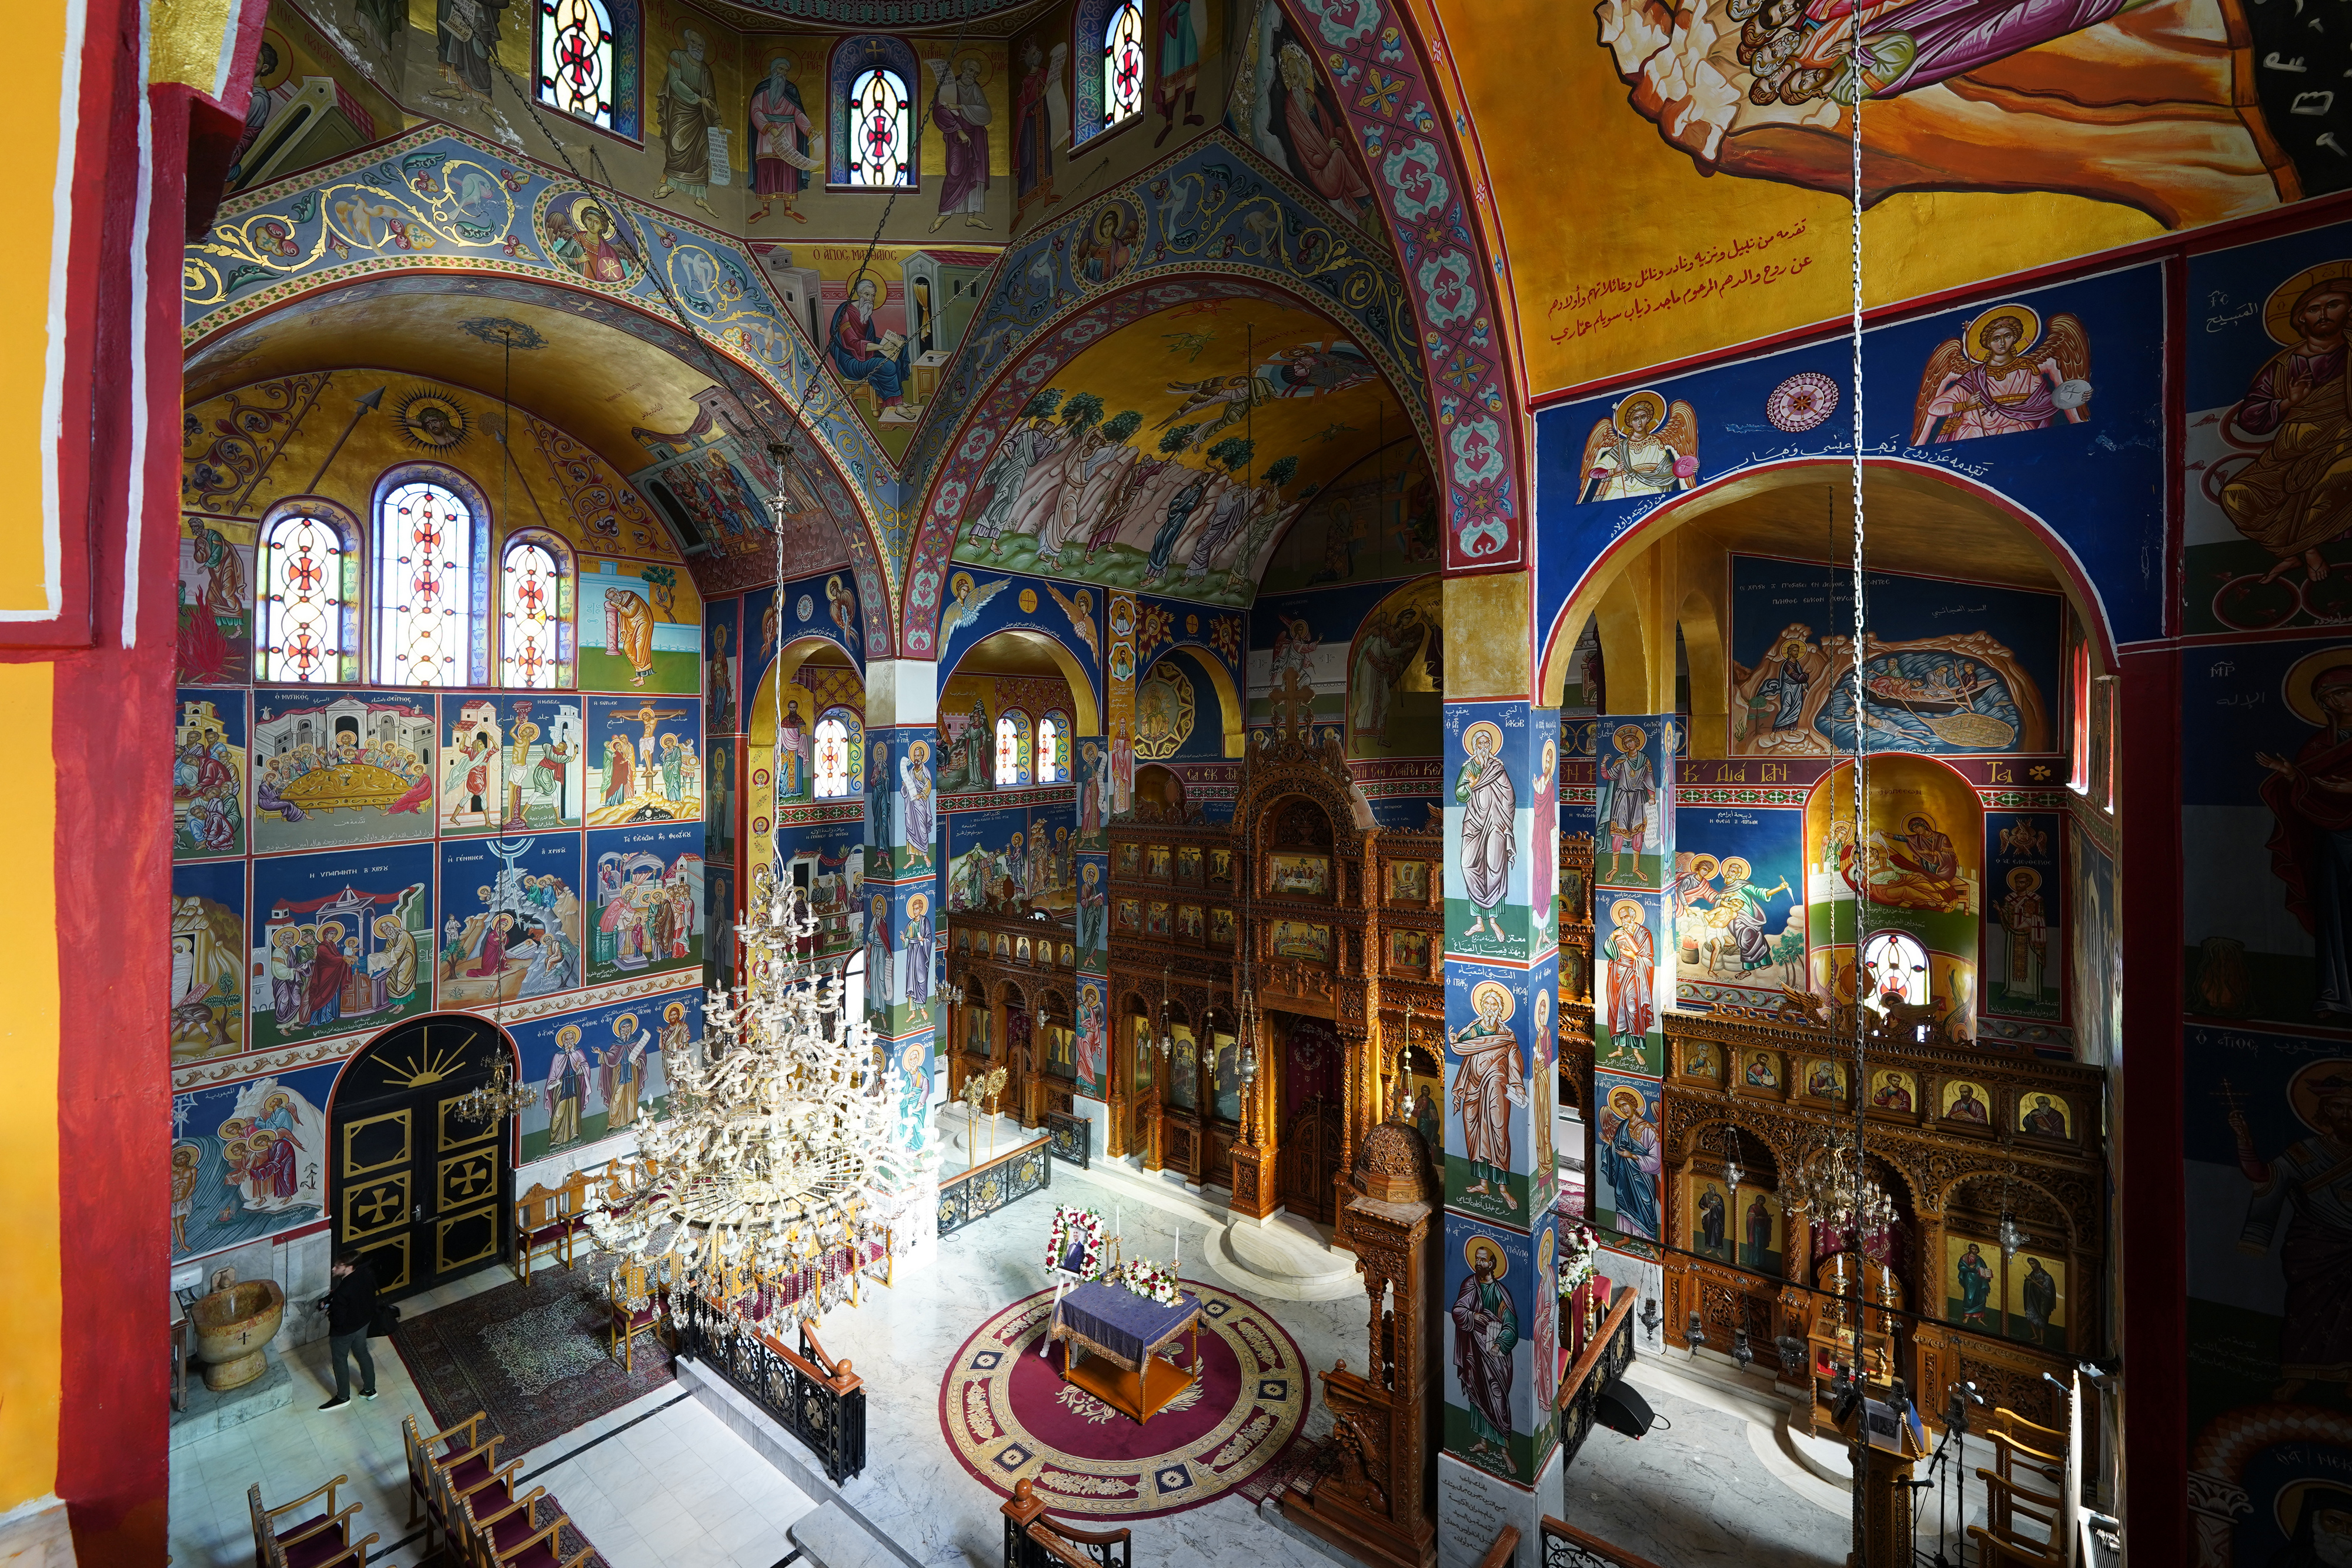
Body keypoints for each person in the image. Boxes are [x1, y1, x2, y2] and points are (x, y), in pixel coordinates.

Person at [315, 1245, 377, 1409]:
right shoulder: (364, 1273)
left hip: (344, 1332)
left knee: (340, 1360)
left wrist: (329, 1310)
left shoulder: (343, 1291)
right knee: (362, 1353)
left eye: (338, 1266)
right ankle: (370, 1390)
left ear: (349, 1267)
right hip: (363, 1323)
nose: (333, 1268)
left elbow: (339, 1319)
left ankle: (343, 1397)